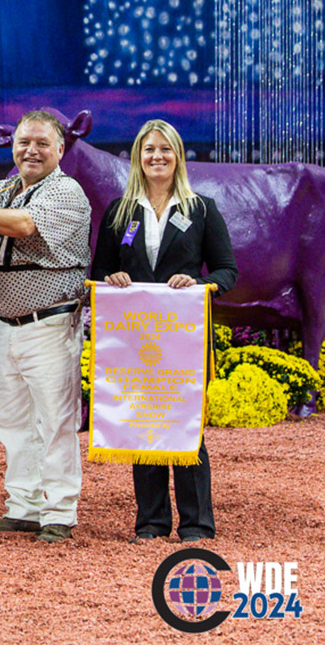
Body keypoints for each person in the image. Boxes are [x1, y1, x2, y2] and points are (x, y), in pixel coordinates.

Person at [0, 110, 91, 543]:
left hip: (49, 322)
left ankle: (59, 512)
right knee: (11, 422)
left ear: (60, 149)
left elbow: (26, 226)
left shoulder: (67, 191)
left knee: (55, 421)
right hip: (4, 324)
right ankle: (23, 506)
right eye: (24, 141)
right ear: (12, 146)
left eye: (42, 143)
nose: (31, 150)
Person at [90, 119, 236, 544]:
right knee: (144, 425)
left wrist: (201, 285)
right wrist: (112, 277)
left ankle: (196, 524)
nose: (157, 157)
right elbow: (100, 269)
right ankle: (151, 523)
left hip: (183, 338)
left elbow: (227, 270)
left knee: (185, 426)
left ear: (178, 157)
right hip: (136, 338)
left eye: (165, 150)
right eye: (149, 149)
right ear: (137, 156)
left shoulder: (201, 209)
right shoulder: (120, 211)